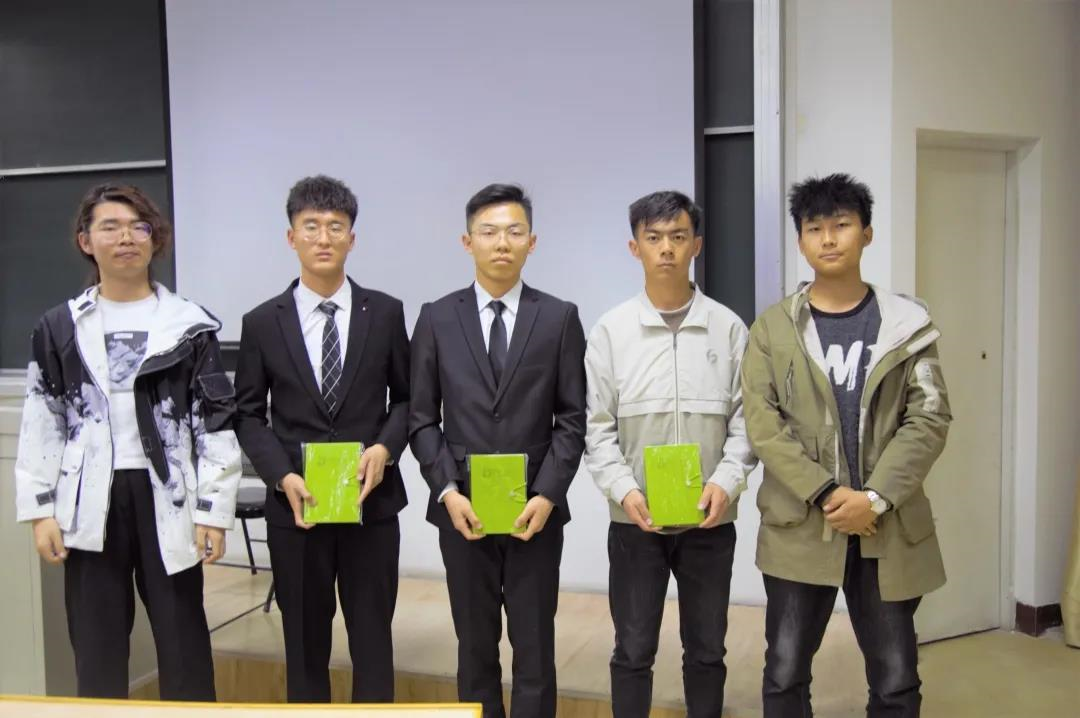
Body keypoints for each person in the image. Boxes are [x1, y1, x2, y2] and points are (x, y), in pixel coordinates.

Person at [14, 183, 240, 700]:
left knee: (184, 644)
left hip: (170, 498)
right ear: (86, 241)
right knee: (97, 649)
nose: (126, 238)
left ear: (155, 239)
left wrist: (213, 509)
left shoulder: (189, 326)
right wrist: (42, 510)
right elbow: (43, 419)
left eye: (139, 227)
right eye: (109, 227)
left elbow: (215, 422)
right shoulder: (60, 327)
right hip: (89, 500)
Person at [741, 173, 952, 717]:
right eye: (815, 228)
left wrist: (874, 498)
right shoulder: (772, 329)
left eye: (842, 225)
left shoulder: (908, 324)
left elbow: (928, 417)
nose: (829, 238)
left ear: (867, 234)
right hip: (801, 524)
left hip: (887, 524)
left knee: (896, 680)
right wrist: (829, 494)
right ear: (800, 241)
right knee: (785, 672)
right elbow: (763, 424)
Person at [408, 183, 586, 718]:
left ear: (532, 241)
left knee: (535, 650)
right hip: (463, 513)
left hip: (536, 512)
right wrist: (447, 491)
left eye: (514, 231)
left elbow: (571, 419)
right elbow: (422, 419)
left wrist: (548, 494)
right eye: (488, 232)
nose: (501, 243)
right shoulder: (437, 317)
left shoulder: (558, 317)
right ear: (468, 242)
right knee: (474, 648)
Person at [233, 175, 410, 703]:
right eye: (311, 226)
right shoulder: (262, 322)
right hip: (298, 509)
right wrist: (280, 475)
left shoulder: (385, 312)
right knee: (304, 643)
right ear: (292, 237)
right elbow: (248, 415)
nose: (324, 237)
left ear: (352, 238)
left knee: (373, 640)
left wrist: (384, 448)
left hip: (369, 504)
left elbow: (408, 400)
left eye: (336, 226)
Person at [584, 190, 756, 717]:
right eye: (653, 237)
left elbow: (748, 424)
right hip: (635, 522)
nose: (666, 249)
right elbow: (596, 428)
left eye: (678, 237)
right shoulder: (611, 331)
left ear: (696, 245)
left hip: (709, 520)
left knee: (707, 650)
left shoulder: (729, 328)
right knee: (633, 650)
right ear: (634, 247)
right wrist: (624, 491)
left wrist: (726, 482)